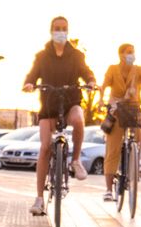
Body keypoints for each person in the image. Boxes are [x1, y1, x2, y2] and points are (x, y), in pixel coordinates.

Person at [22, 16, 96, 216]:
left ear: (68, 30)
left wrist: (90, 81)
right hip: (48, 105)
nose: (60, 31)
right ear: (51, 30)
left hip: (71, 101)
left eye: (63, 28)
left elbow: (86, 72)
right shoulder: (42, 56)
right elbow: (32, 75)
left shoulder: (76, 55)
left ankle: (76, 160)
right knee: (45, 147)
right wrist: (29, 84)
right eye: (57, 28)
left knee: (79, 119)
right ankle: (39, 199)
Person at [99, 43, 141, 201]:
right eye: (128, 52)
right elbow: (104, 86)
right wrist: (101, 101)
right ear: (120, 54)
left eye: (133, 52)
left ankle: (132, 164)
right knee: (112, 149)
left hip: (134, 109)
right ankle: (108, 190)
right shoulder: (112, 69)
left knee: (139, 137)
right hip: (117, 110)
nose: (131, 55)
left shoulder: (140, 70)